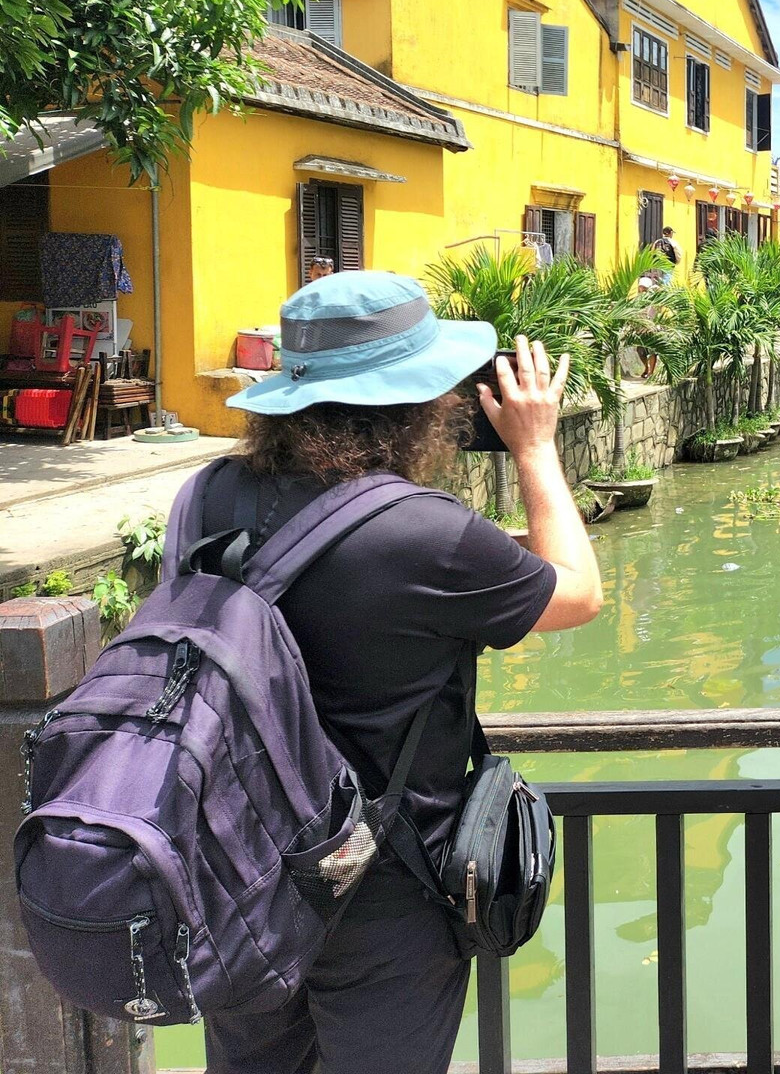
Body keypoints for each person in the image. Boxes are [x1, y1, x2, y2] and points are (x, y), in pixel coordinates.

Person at [201, 271, 604, 1074]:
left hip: (235, 871)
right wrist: (534, 447)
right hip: (382, 886)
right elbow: (578, 591)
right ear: (416, 403)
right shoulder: (428, 535)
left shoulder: (208, 496)